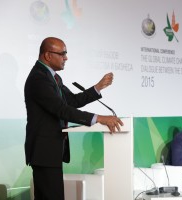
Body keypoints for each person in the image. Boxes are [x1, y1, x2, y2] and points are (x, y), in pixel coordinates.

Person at [24, 37, 123, 200]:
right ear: (48, 55)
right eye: (62, 53)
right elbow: (61, 109)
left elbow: (72, 101)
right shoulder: (38, 78)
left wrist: (97, 87)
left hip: (50, 152)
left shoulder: (53, 77)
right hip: (44, 152)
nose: (66, 58)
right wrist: (99, 118)